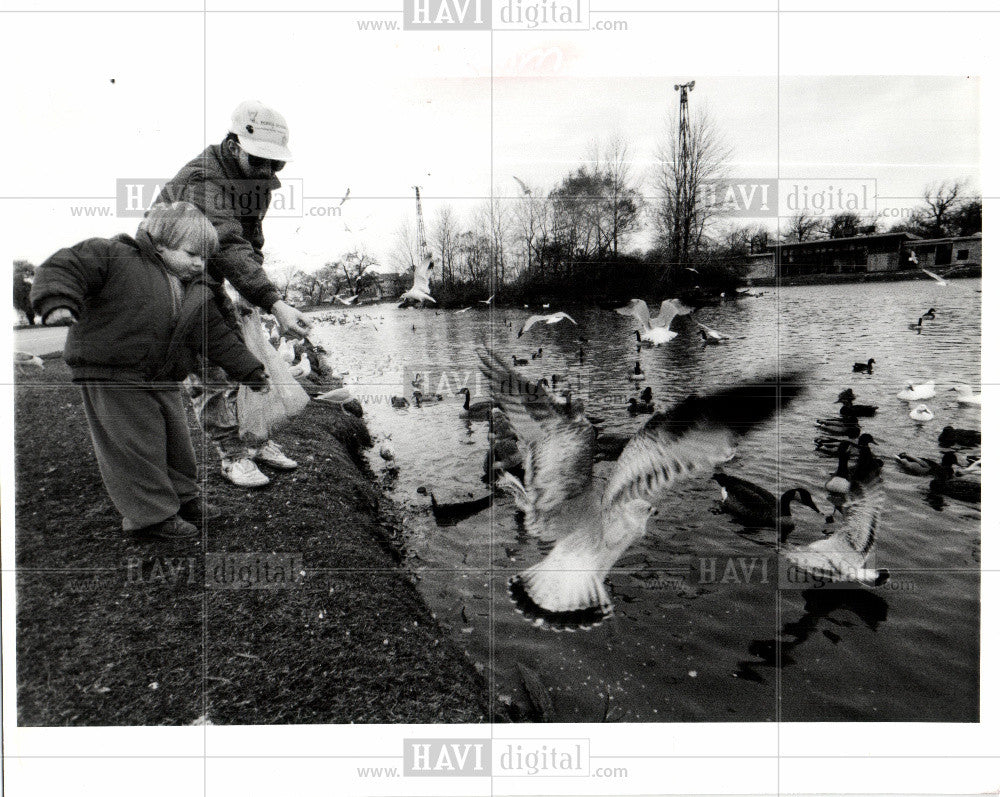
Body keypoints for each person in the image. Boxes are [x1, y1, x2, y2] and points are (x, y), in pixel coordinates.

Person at [30, 202, 270, 541]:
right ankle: (151, 516)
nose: (199, 263)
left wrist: (250, 371)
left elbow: (217, 337)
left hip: (162, 376)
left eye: (204, 257)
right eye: (192, 254)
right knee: (135, 446)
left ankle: (183, 499)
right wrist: (57, 301)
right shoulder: (115, 255)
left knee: (177, 444)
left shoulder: (196, 289)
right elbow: (65, 266)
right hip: (112, 374)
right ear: (159, 241)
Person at [152, 100, 312, 488]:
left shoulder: (258, 182)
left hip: (210, 264)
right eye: (260, 160)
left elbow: (250, 239)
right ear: (234, 144)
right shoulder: (203, 180)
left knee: (244, 356)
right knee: (210, 364)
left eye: (276, 163)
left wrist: (248, 294)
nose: (269, 170)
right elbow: (224, 243)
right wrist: (272, 299)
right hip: (174, 270)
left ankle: (256, 440)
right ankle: (232, 455)